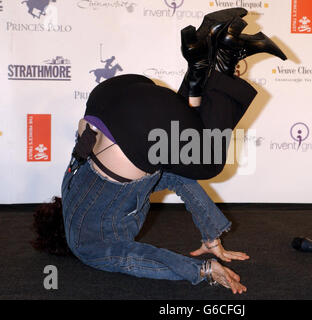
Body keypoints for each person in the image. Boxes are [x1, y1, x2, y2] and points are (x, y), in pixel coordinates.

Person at [31, 8, 287, 294]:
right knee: (183, 144)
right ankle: (199, 58)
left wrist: (202, 271)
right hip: (113, 95)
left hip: (132, 128)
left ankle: (225, 60)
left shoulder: (85, 246)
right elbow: (179, 177)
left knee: (209, 161)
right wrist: (210, 236)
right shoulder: (71, 187)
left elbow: (136, 259)